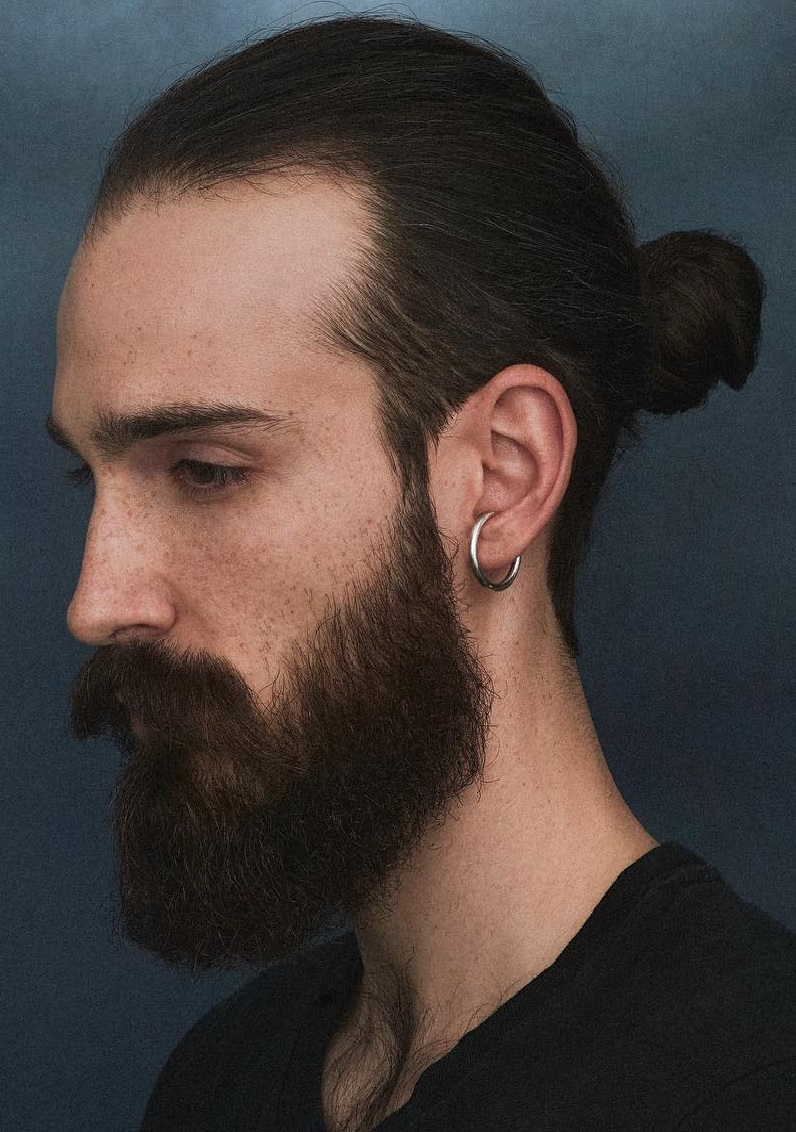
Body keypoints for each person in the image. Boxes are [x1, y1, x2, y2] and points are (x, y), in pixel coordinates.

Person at [48, 14, 796, 1132]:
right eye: (92, 479)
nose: (96, 601)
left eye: (204, 471)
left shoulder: (748, 1087)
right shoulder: (222, 1079)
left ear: (504, 473)